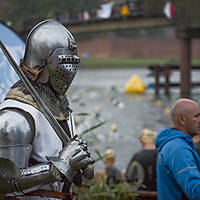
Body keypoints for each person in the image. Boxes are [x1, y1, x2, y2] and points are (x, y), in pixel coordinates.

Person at [0, 19, 94, 199]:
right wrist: (60, 166)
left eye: (73, 61)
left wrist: (80, 163)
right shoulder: (14, 118)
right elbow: (5, 182)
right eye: (65, 61)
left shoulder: (61, 107)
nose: (69, 69)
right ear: (40, 63)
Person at [156, 98, 200, 200]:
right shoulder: (179, 149)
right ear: (182, 119)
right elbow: (196, 192)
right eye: (196, 116)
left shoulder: (172, 144)